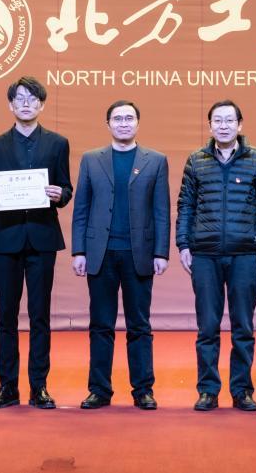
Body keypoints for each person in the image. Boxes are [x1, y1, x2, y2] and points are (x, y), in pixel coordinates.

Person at [0, 76, 73, 410]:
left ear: (42, 104)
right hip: (7, 238)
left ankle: (39, 386)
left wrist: (61, 194)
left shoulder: (58, 143)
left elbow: (66, 189)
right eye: (20, 98)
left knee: (39, 315)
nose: (26, 103)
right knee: (6, 315)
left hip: (43, 237)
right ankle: (7, 386)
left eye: (32, 98)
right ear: (10, 105)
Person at [176, 99, 256, 412]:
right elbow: (185, 205)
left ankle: (242, 390)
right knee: (207, 327)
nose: (223, 126)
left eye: (229, 120)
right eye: (217, 121)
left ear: (240, 125)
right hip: (205, 255)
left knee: (243, 327)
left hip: (245, 254)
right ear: (210, 126)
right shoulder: (196, 160)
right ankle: (208, 390)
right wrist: (183, 244)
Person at [70, 100, 171, 410]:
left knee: (139, 325)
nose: (123, 123)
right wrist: (79, 250)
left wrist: (161, 252)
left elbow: (162, 210)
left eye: (129, 118)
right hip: (100, 254)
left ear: (138, 123)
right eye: (117, 118)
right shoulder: (91, 159)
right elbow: (81, 208)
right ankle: (99, 390)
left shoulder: (156, 161)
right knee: (100, 324)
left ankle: (143, 390)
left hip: (139, 254)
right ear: (108, 124)